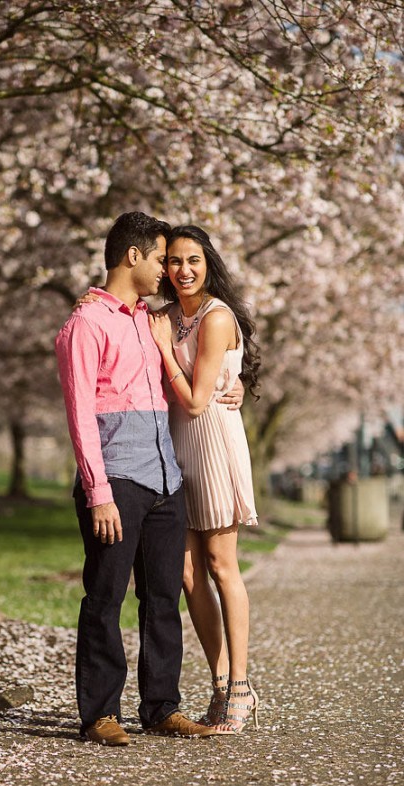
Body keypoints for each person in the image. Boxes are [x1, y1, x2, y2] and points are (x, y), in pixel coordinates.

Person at [55, 211, 218, 745]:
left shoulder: (150, 319)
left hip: (166, 477)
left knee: (163, 597)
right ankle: (99, 713)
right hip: (117, 479)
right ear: (133, 256)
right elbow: (80, 413)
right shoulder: (85, 324)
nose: (167, 270)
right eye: (159, 258)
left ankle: (161, 706)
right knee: (104, 596)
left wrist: (233, 389)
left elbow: (207, 347)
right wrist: (98, 494)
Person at [148, 224, 261, 735]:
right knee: (188, 574)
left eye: (192, 259)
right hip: (176, 447)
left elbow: (195, 401)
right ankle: (218, 684)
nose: (183, 270)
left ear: (207, 262)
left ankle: (241, 686)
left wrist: (167, 350)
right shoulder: (168, 315)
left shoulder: (216, 317)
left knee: (220, 564)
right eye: (173, 261)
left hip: (211, 440)